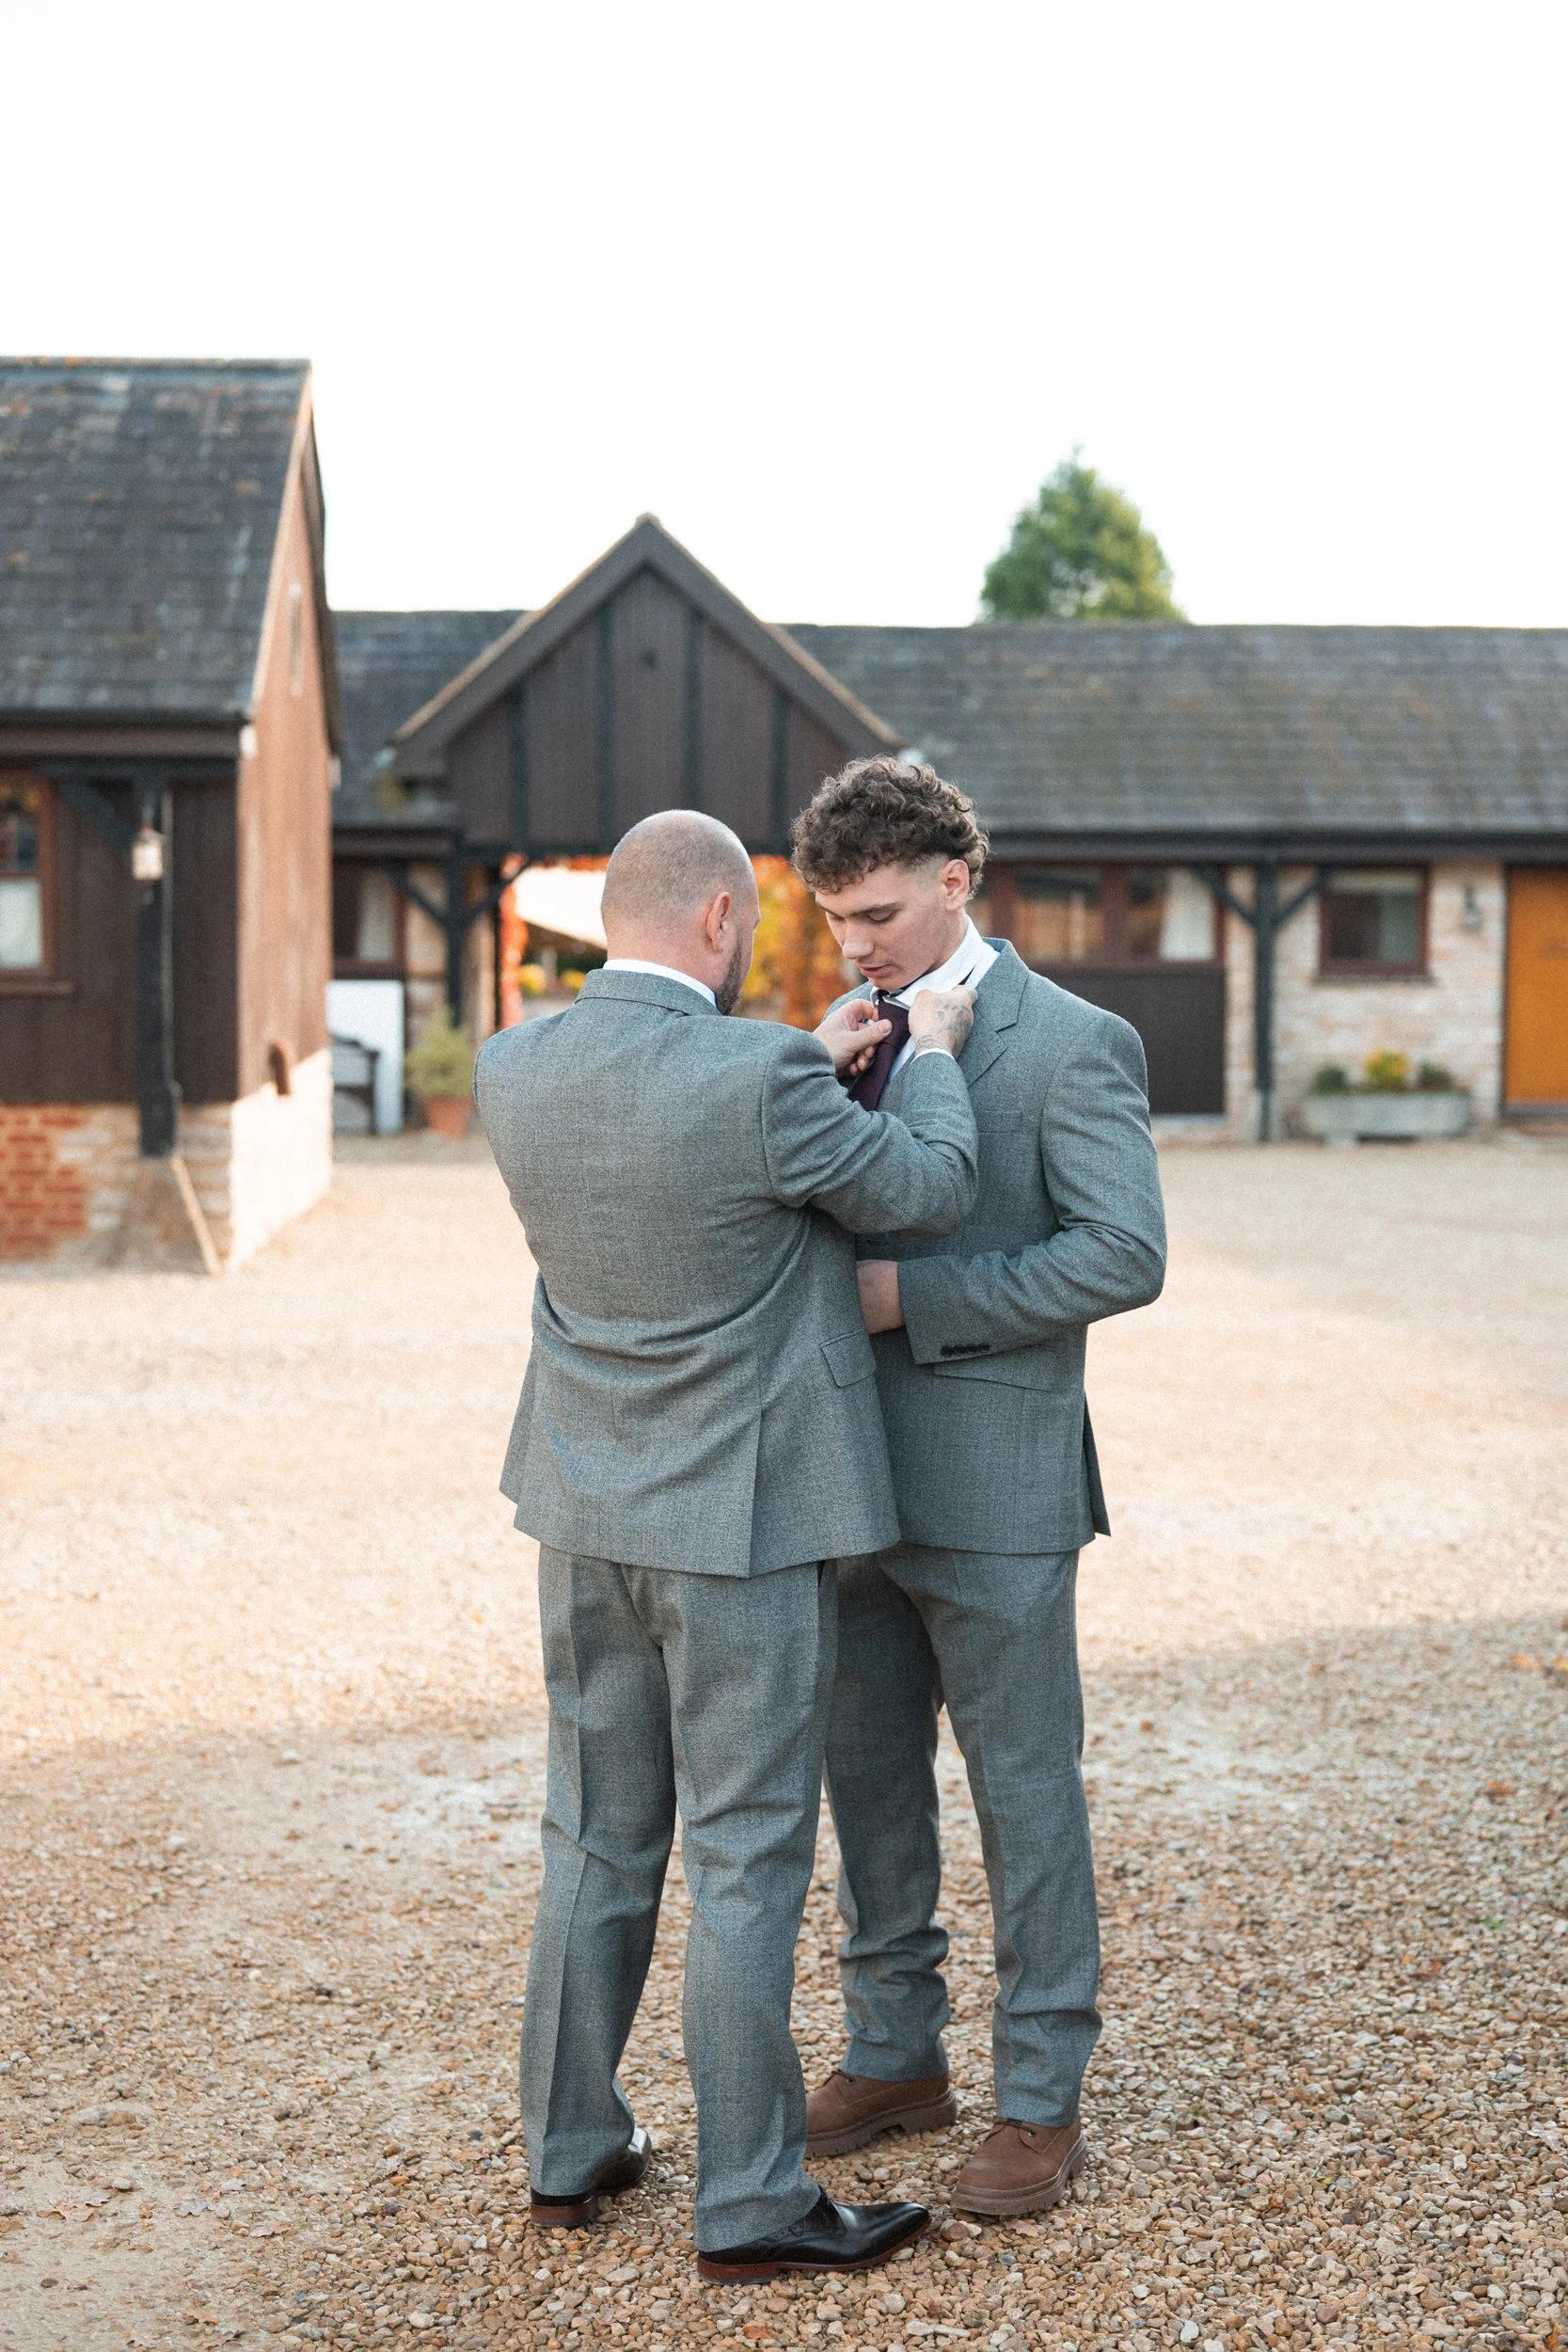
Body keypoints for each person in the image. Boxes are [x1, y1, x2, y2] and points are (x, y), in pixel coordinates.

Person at [473, 808, 980, 2282]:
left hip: (583, 1510)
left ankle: (570, 2153)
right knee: (748, 1856)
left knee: (594, 1835)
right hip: (742, 1526)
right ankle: (751, 2202)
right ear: (713, 922)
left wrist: (799, 1068)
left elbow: (667, 1156)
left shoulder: (516, 1066)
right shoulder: (759, 1075)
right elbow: (928, 1193)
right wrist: (926, 1056)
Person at [790, 758, 1167, 2218]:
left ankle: (1036, 2102)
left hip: (1001, 1487)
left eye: (876, 911)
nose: (855, 945)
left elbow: (1120, 1255)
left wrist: (911, 1304)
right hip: (839, 1483)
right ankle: (894, 2058)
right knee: (867, 1786)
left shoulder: (1076, 1044)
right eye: (833, 919)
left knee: (1024, 1799)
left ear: (956, 877)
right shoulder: (832, 1034)